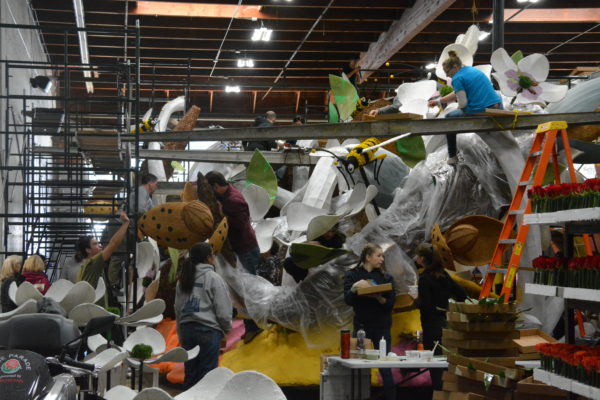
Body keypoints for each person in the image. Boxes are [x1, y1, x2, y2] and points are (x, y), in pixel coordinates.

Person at [204, 170, 262, 343]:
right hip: (241, 249)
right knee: (240, 288)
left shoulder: (233, 201)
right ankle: (250, 326)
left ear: (216, 186)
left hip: (246, 249)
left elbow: (241, 225)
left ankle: (255, 327)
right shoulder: (225, 196)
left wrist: (223, 216)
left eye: (210, 189)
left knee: (247, 290)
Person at [427, 50, 502, 165]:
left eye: (447, 72)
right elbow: (456, 93)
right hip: (497, 105)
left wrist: (459, 107)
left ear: (455, 67)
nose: (447, 75)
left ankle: (452, 156)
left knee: (448, 118)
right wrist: (438, 101)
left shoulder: (457, 78)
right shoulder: (471, 70)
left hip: (481, 110)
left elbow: (463, 104)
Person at [175, 242, 232, 389]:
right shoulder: (214, 278)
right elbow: (223, 311)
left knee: (190, 375)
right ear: (208, 258)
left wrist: (181, 335)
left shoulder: (183, 279)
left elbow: (178, 309)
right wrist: (226, 330)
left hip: (187, 331)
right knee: (207, 379)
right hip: (209, 332)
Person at [344, 243, 396, 400]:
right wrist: (354, 288)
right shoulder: (352, 275)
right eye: (378, 255)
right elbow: (348, 300)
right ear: (368, 257)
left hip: (382, 328)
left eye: (382, 256)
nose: (382, 259)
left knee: (385, 367)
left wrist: (378, 297)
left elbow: (390, 304)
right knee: (359, 367)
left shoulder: (386, 277)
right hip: (362, 327)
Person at [415, 243, 467, 390]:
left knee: (435, 369)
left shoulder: (424, 279)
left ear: (423, 259)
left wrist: (416, 301)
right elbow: (462, 294)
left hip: (431, 328)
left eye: (417, 256)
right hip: (447, 324)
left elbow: (426, 307)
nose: (416, 258)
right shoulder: (444, 275)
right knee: (446, 367)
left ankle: (438, 394)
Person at [103, 173, 157, 290]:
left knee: (126, 254)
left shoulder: (146, 195)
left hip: (126, 225)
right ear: (150, 183)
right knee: (119, 254)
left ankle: (119, 282)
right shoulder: (142, 191)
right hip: (120, 224)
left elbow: (152, 211)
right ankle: (113, 283)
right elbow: (140, 210)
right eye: (156, 184)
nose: (156, 187)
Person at [76, 210, 130, 307]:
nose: (99, 245)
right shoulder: (93, 263)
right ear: (88, 250)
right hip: (95, 313)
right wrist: (126, 223)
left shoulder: (83, 267)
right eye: (95, 244)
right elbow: (113, 244)